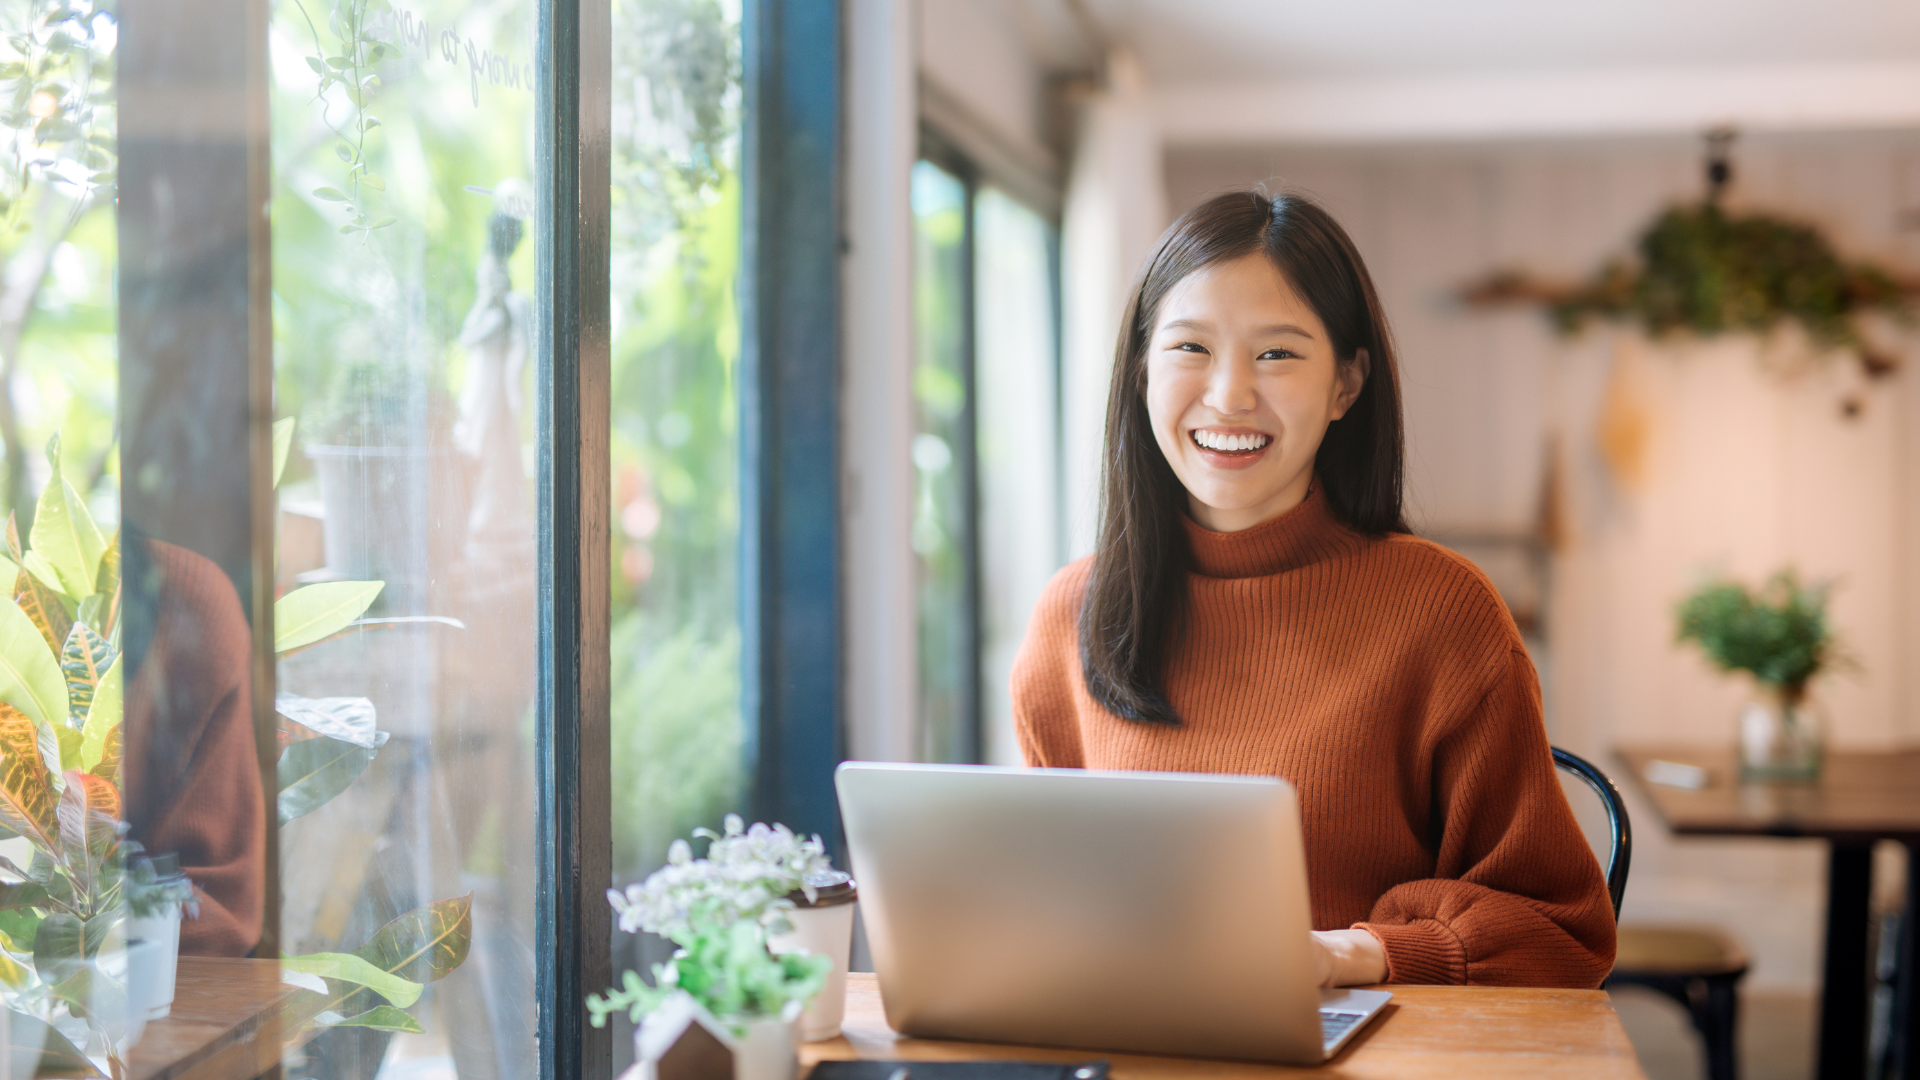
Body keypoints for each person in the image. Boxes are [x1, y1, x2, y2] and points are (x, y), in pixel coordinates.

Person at [1011, 190, 1615, 989]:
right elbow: (1041, 894)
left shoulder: (1441, 612)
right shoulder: (1071, 614)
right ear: (1140, 371)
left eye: (1277, 354)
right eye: (1190, 348)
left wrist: (1357, 953)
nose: (1229, 396)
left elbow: (1562, 927)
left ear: (1346, 385)